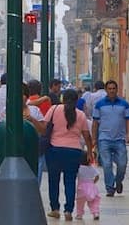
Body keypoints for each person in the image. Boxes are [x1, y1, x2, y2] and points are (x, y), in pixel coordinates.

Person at [44, 89, 94, 220]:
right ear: (77, 100)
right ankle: (68, 211)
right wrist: (89, 152)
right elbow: (87, 136)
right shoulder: (81, 115)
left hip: (54, 150)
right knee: (70, 181)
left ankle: (55, 208)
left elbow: (44, 128)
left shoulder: (54, 109)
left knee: (53, 180)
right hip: (74, 151)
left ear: (62, 99)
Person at [90, 81, 129, 197]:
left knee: (122, 164)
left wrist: (128, 134)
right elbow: (95, 122)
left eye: (114, 88)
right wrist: (94, 138)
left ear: (117, 89)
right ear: (106, 90)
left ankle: (118, 181)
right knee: (107, 164)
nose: (112, 90)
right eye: (109, 88)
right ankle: (110, 187)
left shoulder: (125, 104)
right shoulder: (99, 104)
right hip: (104, 139)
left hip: (120, 139)